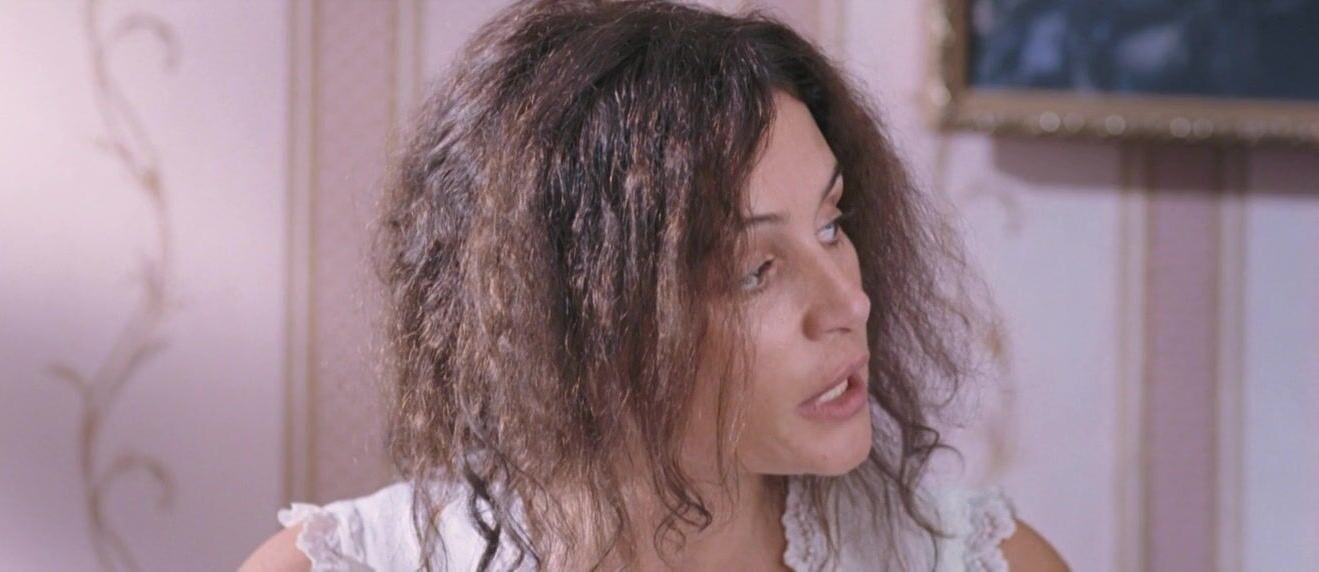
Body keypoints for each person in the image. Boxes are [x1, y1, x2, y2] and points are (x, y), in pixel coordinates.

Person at [243, 0, 1069, 569]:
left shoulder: (989, 563)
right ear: (578, 319)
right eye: (754, 271)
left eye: (831, 224)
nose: (848, 304)